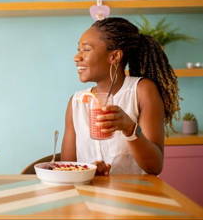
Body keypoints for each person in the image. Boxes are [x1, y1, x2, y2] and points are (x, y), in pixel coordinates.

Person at [61, 17, 180, 175]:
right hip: (90, 195)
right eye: (78, 49)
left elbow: (155, 166)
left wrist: (130, 129)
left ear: (114, 57)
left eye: (86, 49)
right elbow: (67, 168)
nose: (77, 57)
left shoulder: (141, 90)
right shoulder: (77, 102)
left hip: (136, 195)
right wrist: (89, 171)